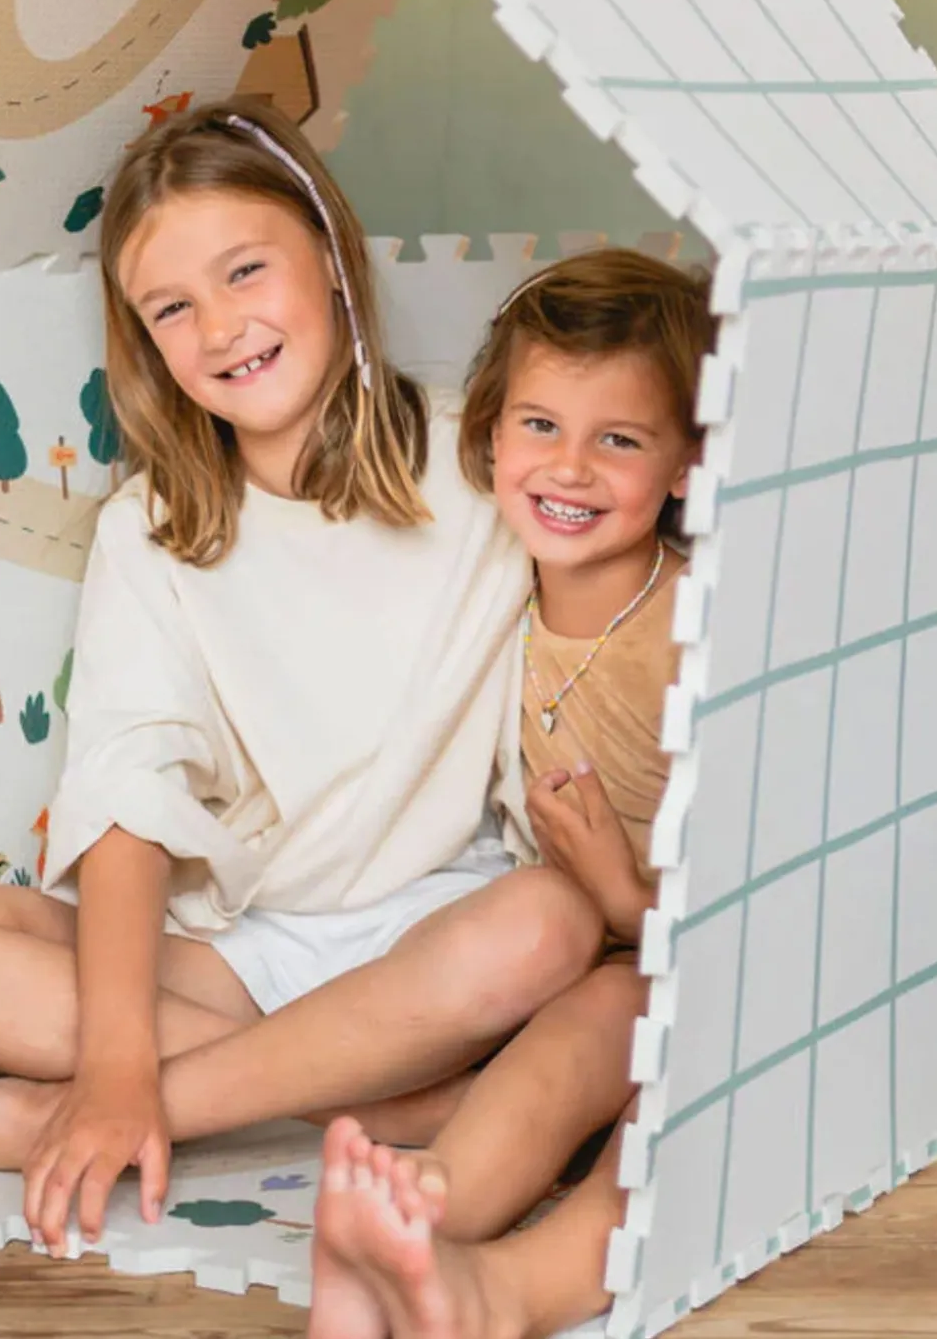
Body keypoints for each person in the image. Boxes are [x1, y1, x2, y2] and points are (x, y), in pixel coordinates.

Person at [0, 101, 605, 1257]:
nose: (222, 327)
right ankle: (386, 1104)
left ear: (330, 257)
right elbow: (126, 790)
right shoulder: (154, 530)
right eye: (172, 308)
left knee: (548, 925)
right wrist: (115, 1056)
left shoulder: (482, 459)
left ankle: (67, 1117)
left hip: (442, 932)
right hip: (242, 953)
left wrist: (118, 1087)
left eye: (245, 271)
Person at [307, 248, 715, 1339]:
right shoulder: (494, 589)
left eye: (618, 440)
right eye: (540, 425)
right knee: (527, 1053)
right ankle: (412, 1231)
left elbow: (773, 893)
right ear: (490, 438)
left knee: (647, 1072)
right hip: (583, 957)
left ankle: (501, 1293)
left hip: (707, 963)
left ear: (686, 464)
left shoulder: (695, 632)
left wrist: (625, 899)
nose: (569, 468)